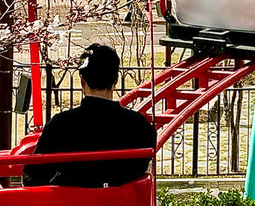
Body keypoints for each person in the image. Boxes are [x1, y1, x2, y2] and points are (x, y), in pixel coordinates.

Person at [23, 44, 157, 188]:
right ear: (116, 80)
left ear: (82, 81)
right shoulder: (139, 126)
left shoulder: (61, 125)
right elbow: (140, 168)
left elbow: (33, 177)